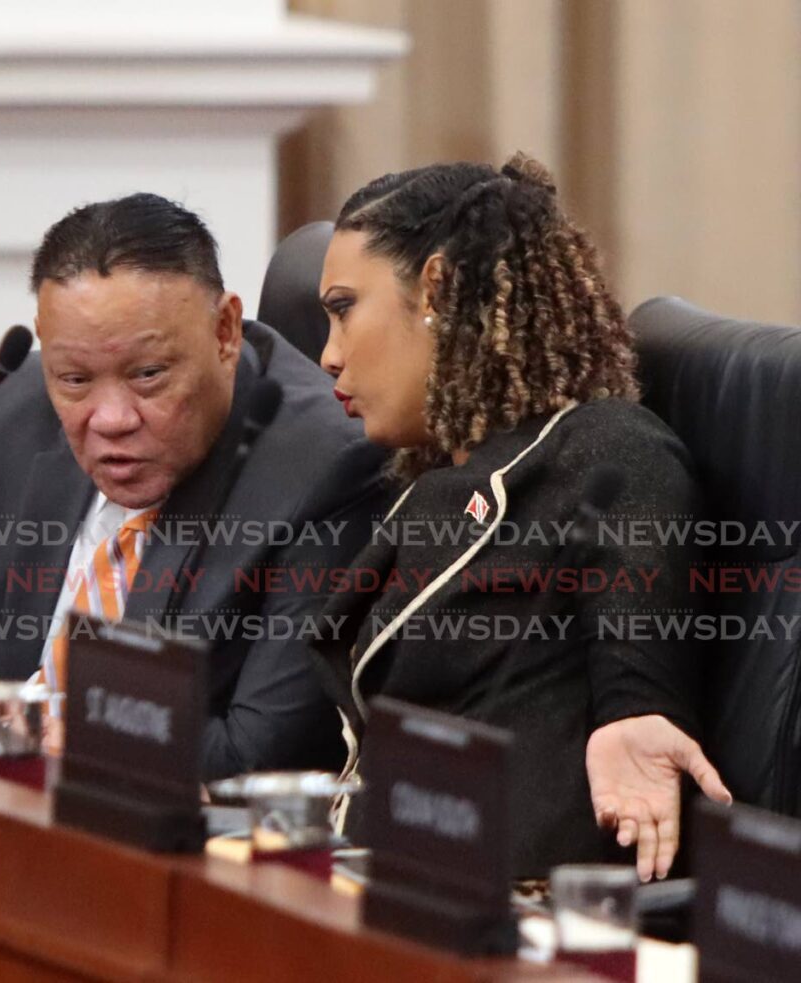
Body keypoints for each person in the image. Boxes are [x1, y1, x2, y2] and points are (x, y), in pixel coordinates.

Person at [311, 153, 731, 880]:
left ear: (436, 286)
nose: (328, 355)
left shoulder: (604, 445)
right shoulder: (435, 477)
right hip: (382, 877)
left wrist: (638, 709)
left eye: (344, 309)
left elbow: (635, 594)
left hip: (507, 902)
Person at [0, 192, 390, 779]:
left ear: (225, 332)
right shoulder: (13, 406)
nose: (110, 419)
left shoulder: (326, 467)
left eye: (148, 375)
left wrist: (72, 729)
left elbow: (260, 754)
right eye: (75, 379)